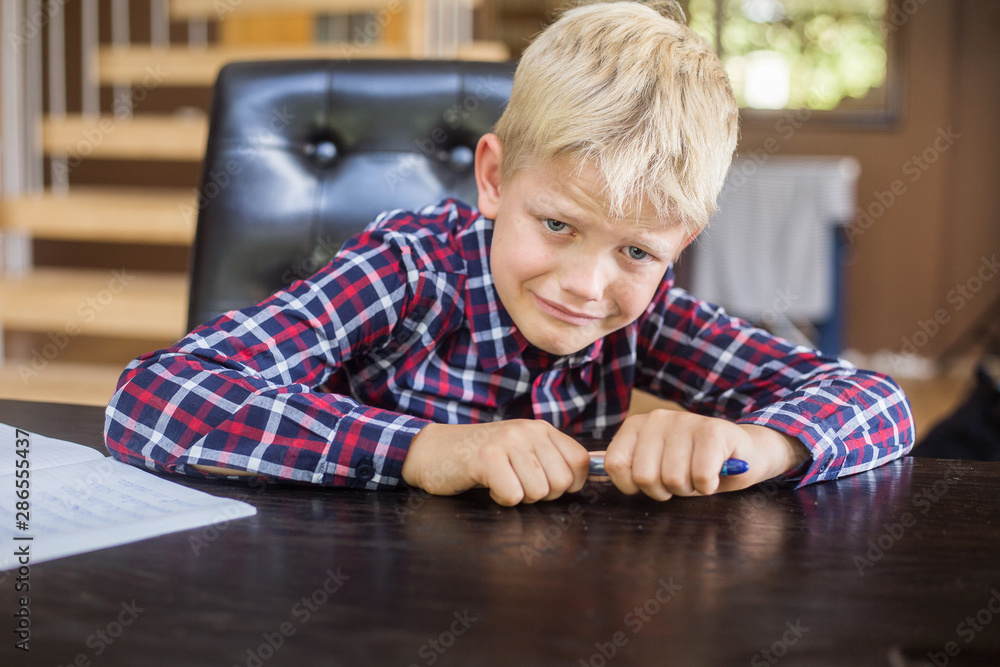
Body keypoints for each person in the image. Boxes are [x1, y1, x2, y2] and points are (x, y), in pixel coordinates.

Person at [104, 0, 914, 506]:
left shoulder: (645, 311)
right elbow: (154, 397)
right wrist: (421, 446)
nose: (585, 286)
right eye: (557, 224)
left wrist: (754, 444)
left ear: (679, 247)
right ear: (493, 179)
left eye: (636, 249)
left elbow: (879, 403)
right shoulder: (410, 268)